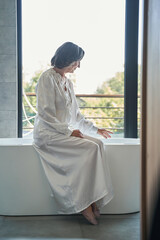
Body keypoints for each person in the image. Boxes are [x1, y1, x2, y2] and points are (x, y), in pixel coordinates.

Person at [33, 42, 114, 225]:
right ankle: (84, 204)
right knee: (90, 149)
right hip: (47, 134)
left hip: (61, 132)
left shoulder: (67, 82)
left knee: (98, 144)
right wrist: (68, 132)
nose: (78, 66)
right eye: (76, 62)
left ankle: (91, 198)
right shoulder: (47, 78)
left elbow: (76, 115)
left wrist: (96, 129)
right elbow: (45, 114)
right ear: (67, 59)